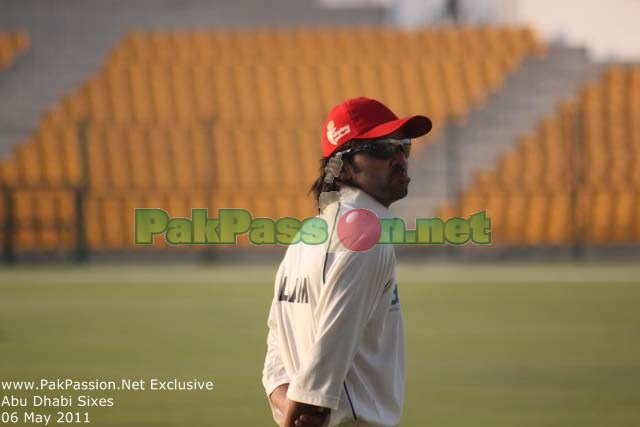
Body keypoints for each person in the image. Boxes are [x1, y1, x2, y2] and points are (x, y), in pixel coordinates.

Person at [262, 97, 432, 427]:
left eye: (404, 147)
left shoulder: (305, 236)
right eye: (384, 148)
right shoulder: (366, 232)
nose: (399, 159)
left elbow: (276, 351)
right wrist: (303, 408)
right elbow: (327, 355)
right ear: (345, 166)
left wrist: (288, 407)